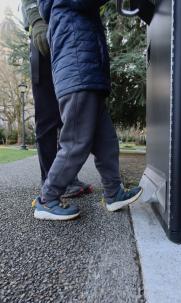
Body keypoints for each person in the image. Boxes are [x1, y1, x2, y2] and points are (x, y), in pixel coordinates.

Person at [32, 0, 143, 221]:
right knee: (75, 143)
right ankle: (47, 199)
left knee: (106, 141)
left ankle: (114, 193)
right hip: (78, 76)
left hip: (88, 74)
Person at [21, 0, 93, 198]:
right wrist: (36, 21)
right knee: (47, 117)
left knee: (67, 116)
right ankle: (49, 182)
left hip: (68, 39)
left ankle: (67, 178)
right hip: (42, 42)